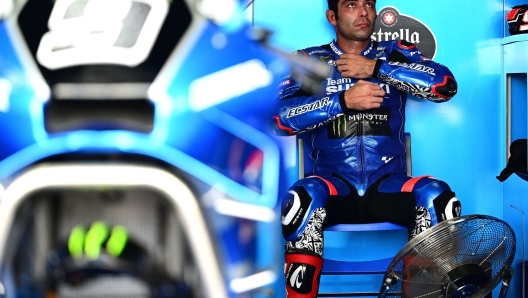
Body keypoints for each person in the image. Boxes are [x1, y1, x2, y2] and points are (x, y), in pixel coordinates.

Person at [270, 0, 461, 297]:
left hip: (387, 184)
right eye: (351, 5)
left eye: (369, 4)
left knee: (438, 196)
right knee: (300, 199)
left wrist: (376, 68)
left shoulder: (394, 53)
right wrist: (343, 102)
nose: (363, 12)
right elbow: (278, 119)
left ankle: (420, 293)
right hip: (334, 187)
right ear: (332, 16)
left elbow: (444, 86)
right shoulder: (310, 60)